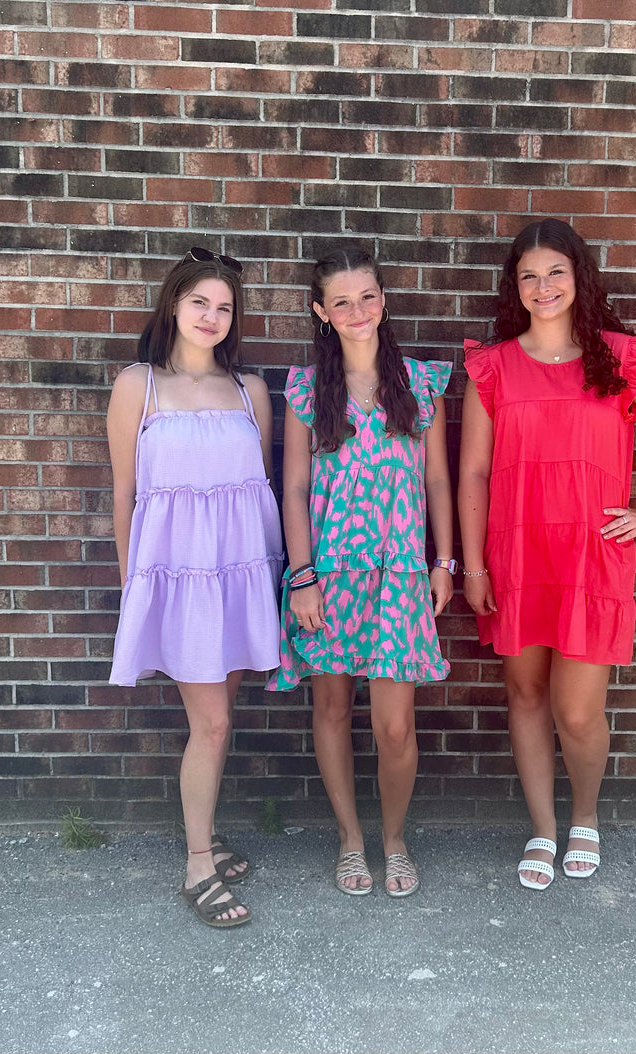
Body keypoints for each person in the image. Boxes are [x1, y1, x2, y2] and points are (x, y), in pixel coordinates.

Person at [458, 218, 636, 890]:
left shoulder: (618, 358)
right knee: (525, 695)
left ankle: (586, 816)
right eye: (529, 276)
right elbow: (474, 472)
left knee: (577, 710)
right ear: (514, 287)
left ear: (579, 278)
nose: (543, 287)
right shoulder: (493, 367)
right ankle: (542, 827)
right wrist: (473, 565)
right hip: (515, 553)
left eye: (555, 273)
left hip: (590, 557)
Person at [267, 245, 455, 899]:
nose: (357, 311)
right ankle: (350, 838)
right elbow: (293, 489)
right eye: (341, 302)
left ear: (384, 301)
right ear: (321, 312)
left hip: (400, 575)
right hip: (329, 576)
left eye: (367, 297)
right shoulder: (304, 390)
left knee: (394, 726)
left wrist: (444, 561)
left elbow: (437, 480)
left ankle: (394, 838)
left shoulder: (421, 383)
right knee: (332, 706)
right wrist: (302, 577)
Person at [106, 247, 283, 928]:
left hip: (239, 576)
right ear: (174, 305)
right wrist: (133, 587)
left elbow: (254, 493)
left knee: (219, 718)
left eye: (224, 307)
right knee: (210, 723)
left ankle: (205, 832)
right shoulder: (139, 386)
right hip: (179, 583)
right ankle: (198, 865)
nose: (211, 316)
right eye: (199, 302)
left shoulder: (250, 391)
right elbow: (125, 494)